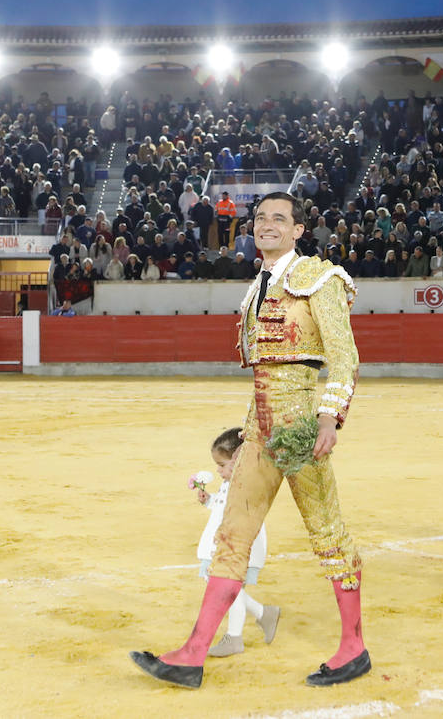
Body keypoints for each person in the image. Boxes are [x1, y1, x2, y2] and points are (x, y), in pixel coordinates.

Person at [131, 192, 368, 689]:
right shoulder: (258, 286)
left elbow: (344, 356)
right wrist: (245, 430)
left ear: (299, 229)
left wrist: (329, 417)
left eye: (279, 219)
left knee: (328, 534)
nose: (267, 225)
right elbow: (262, 372)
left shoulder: (318, 278)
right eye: (261, 218)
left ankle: (354, 647)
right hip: (260, 429)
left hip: (303, 425)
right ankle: (193, 654)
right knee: (231, 537)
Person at [193, 427, 282, 658]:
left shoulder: (246, 484)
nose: (218, 470)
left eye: (222, 465)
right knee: (228, 590)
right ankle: (263, 614)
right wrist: (208, 500)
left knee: (228, 590)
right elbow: (221, 508)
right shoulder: (230, 483)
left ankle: (235, 637)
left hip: (237, 547)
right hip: (225, 545)